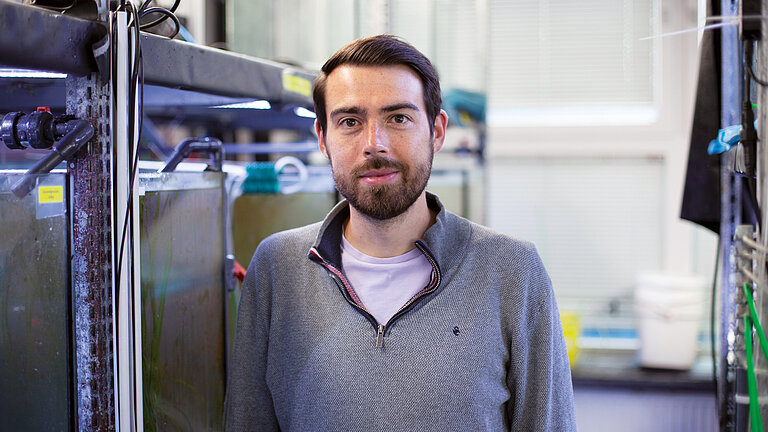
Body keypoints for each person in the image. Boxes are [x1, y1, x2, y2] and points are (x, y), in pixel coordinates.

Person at [224, 35, 576, 431]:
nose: (374, 144)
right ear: (323, 138)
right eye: (350, 122)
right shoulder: (277, 269)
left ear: (437, 131)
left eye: (398, 118)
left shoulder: (512, 271)